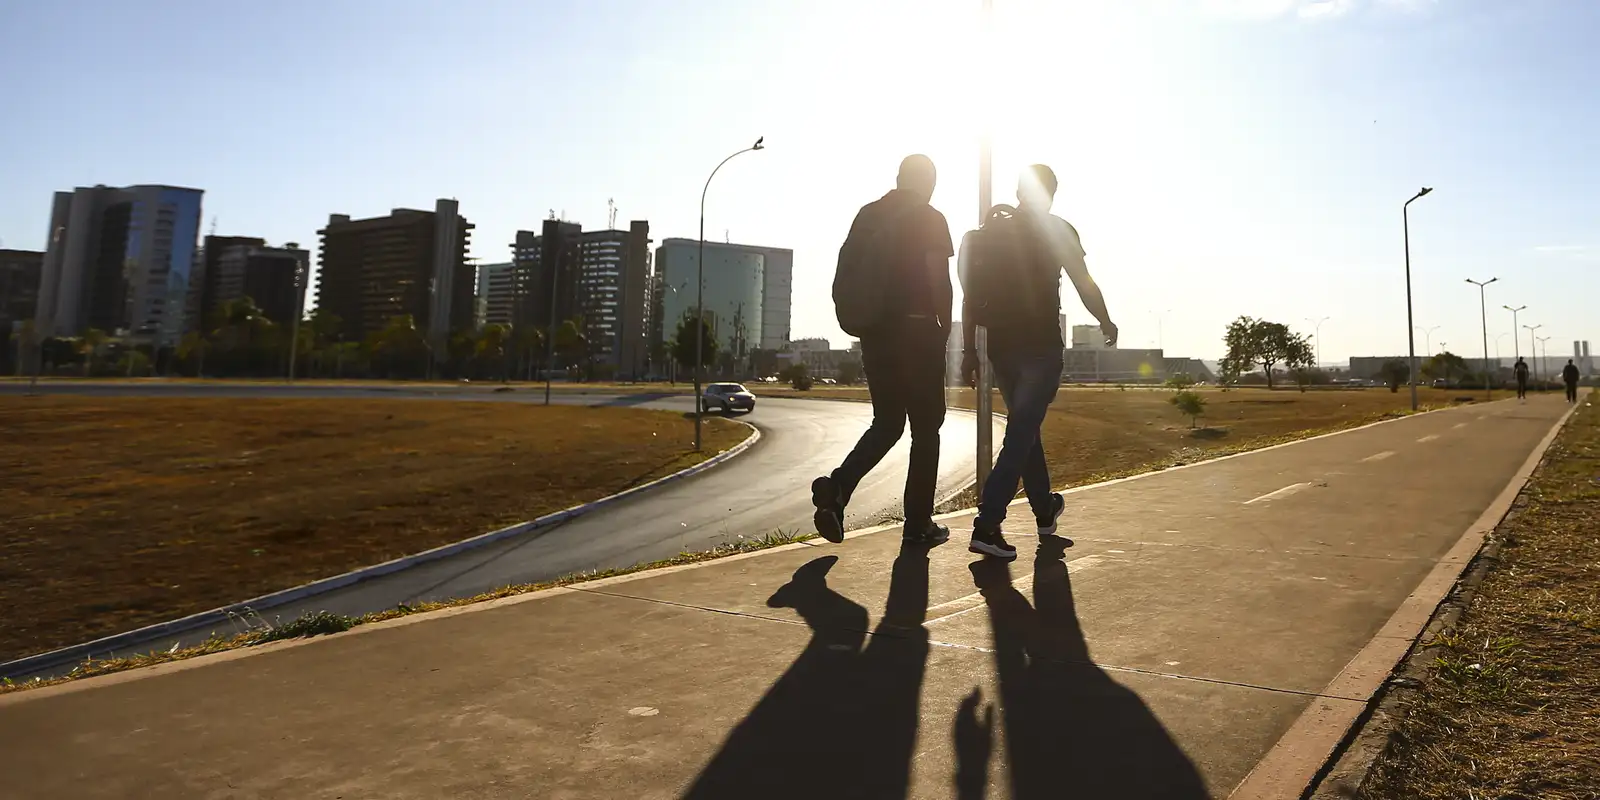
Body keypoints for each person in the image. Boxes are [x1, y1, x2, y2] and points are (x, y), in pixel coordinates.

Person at [961, 165, 1116, 560]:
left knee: (1025, 430)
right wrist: (1104, 320)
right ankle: (987, 524)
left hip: (1001, 348)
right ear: (1051, 194)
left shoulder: (992, 232)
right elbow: (1083, 281)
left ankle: (1045, 511)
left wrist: (968, 351)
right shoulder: (1057, 230)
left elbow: (969, 296)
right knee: (1020, 434)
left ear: (1018, 192)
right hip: (1040, 348)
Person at [811, 155, 955, 546]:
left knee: (888, 423)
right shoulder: (930, 217)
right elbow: (939, 279)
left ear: (898, 178)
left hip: (875, 334)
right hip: (918, 332)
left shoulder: (868, 214)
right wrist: (944, 331)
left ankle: (838, 489)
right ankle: (919, 523)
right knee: (926, 429)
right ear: (929, 183)